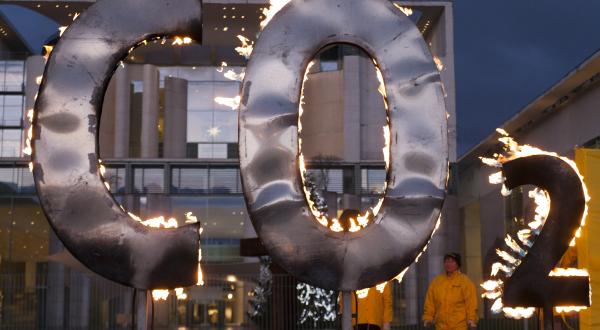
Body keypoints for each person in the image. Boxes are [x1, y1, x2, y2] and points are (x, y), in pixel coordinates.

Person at [422, 253, 478, 330]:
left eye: (452, 261)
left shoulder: (465, 282)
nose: (449, 264)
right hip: (440, 327)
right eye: (447, 261)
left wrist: (472, 321)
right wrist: (428, 319)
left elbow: (471, 304)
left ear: (458, 264)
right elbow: (430, 303)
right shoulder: (436, 282)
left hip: (460, 327)